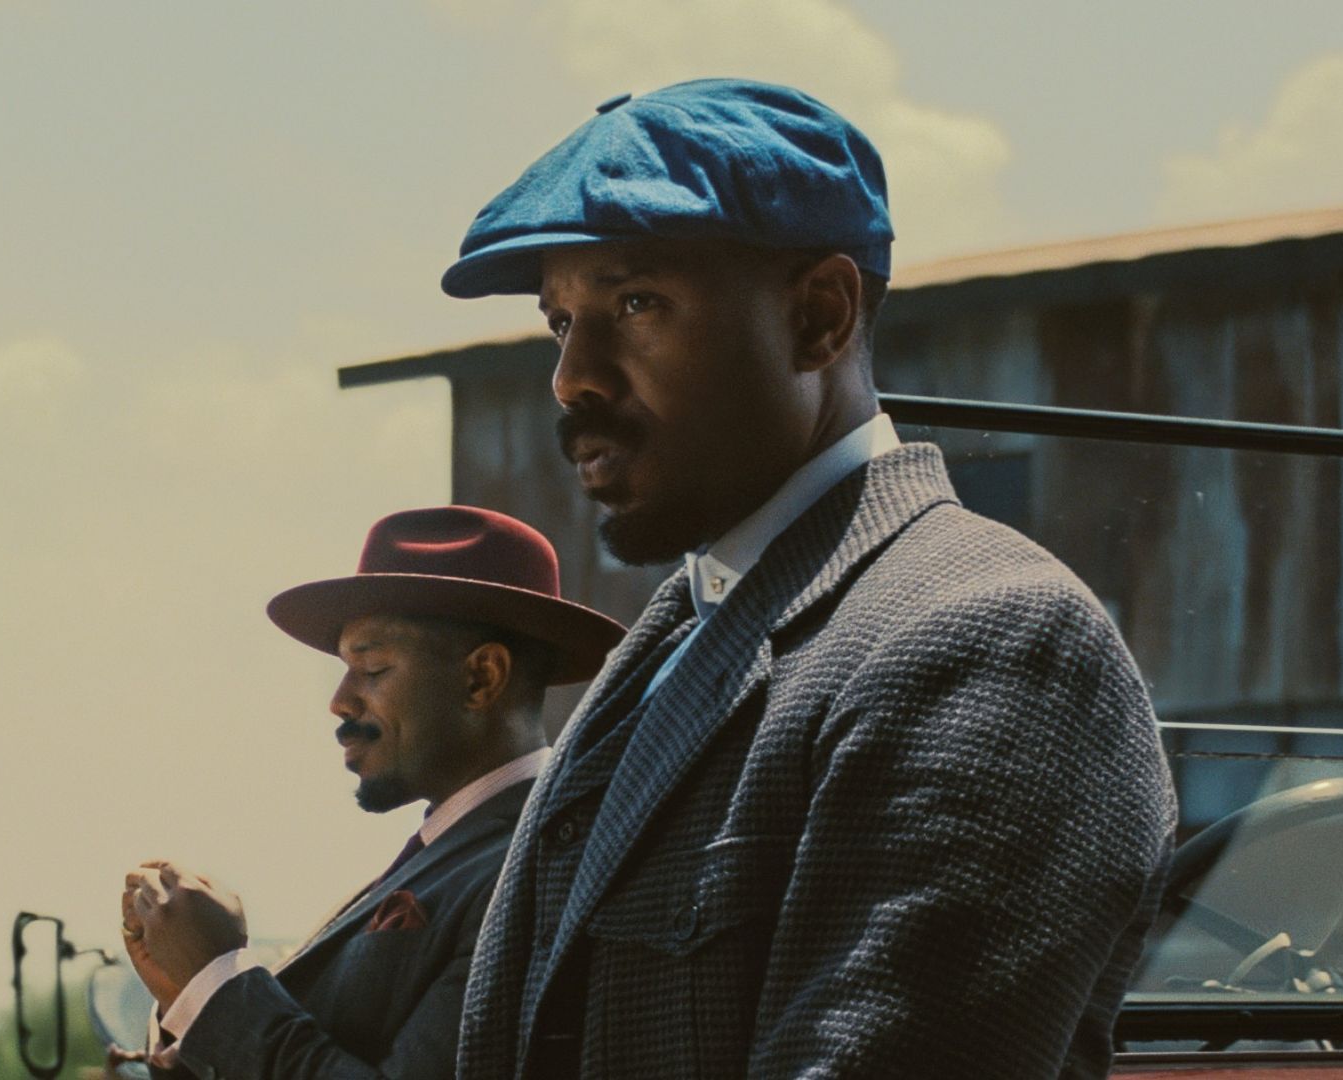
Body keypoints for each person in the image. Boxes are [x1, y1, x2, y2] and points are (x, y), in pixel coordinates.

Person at [440, 80, 1178, 1079]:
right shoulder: (673, 643)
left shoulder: (983, 636)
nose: (576, 376)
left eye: (635, 302)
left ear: (821, 317)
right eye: (561, 323)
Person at [119, 505, 626, 1080]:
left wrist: (217, 984)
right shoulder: (448, 856)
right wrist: (184, 996)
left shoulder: (543, 866)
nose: (340, 700)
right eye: (344, 667)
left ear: (481, 677)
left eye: (374, 667)